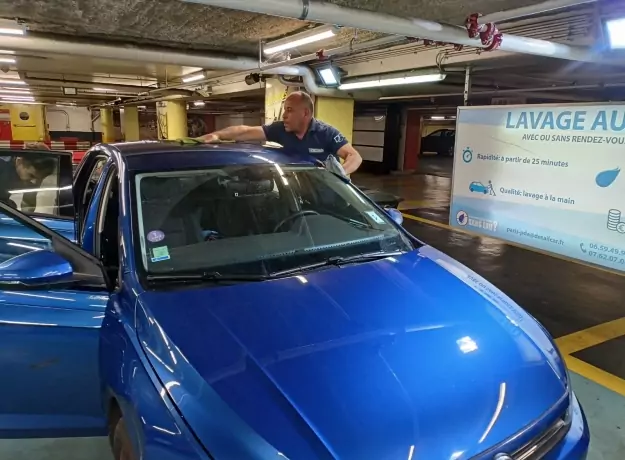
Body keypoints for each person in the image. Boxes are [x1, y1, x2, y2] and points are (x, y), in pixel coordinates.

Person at [196, 91, 363, 174]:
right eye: (285, 110)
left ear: (305, 113)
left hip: (325, 191)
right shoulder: (280, 129)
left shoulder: (325, 132)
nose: (284, 115)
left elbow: (354, 157)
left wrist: (338, 174)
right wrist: (217, 135)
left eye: (289, 110)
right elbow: (245, 131)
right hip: (296, 188)